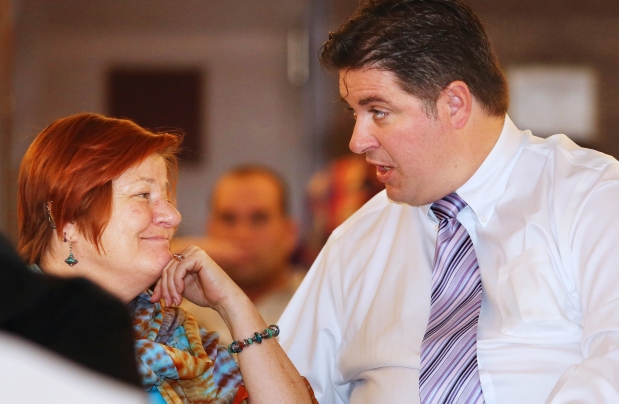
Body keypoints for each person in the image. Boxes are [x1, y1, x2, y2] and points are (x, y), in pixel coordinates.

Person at [278, 0, 619, 403]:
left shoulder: (593, 197)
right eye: (355, 114)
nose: (357, 141)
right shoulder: (355, 242)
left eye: (378, 111)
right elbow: (289, 386)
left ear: (454, 105)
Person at [17, 113, 316, 403]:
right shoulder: (17, 338)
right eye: (143, 195)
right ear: (68, 219)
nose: (173, 216)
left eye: (166, 197)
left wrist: (232, 303)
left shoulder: (175, 335)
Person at [173, 165, 304, 344]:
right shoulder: (179, 319)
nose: (242, 234)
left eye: (259, 218)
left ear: (289, 233)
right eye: (228, 218)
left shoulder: (320, 303)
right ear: (209, 228)